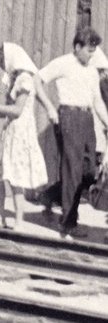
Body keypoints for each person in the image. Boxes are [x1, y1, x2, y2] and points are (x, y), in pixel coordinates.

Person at [34, 27, 108, 239]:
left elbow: (96, 101)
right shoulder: (63, 63)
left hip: (87, 119)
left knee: (90, 172)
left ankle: (50, 196)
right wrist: (48, 107)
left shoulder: (92, 70)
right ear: (77, 47)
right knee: (72, 172)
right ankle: (68, 223)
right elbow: (37, 80)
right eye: (88, 50)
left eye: (94, 51)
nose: (91, 54)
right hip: (69, 117)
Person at [0, 43, 49, 230]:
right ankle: (1, 215)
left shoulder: (25, 79)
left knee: (16, 178)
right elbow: (9, 111)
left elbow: (18, 110)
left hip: (20, 132)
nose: (1, 62)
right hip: (10, 131)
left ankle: (19, 220)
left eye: (3, 58)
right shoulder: (15, 79)